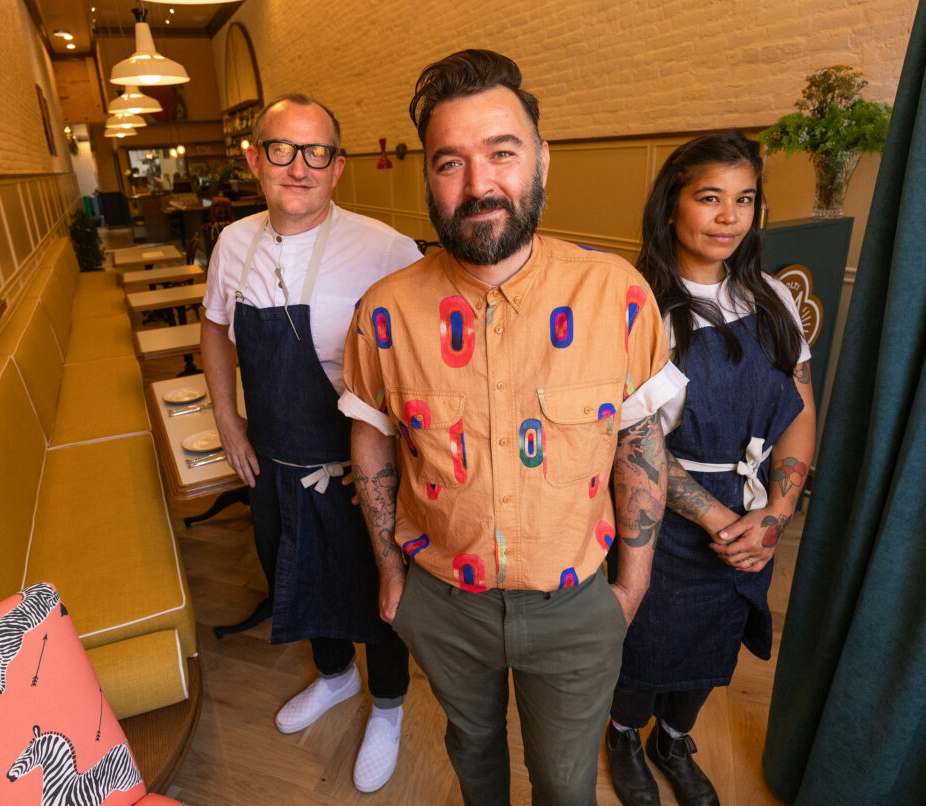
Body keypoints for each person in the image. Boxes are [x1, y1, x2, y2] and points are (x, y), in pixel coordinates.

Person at [341, 50, 687, 805]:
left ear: (542, 159)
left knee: (565, 783)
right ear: (428, 177)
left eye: (502, 153)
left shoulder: (618, 296)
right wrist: (392, 573)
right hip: (442, 601)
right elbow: (370, 436)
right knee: (473, 755)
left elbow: (640, 442)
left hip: (576, 606)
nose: (479, 185)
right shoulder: (384, 311)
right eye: (450, 163)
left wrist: (631, 587)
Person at [199, 93, 423, 793]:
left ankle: (387, 706)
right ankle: (334, 676)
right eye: (282, 149)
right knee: (293, 573)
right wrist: (228, 420)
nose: (299, 167)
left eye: (316, 152)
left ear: (337, 167)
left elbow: (426, 360)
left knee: (379, 590)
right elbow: (214, 329)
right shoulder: (233, 244)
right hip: (272, 461)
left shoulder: (386, 248)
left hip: (360, 467)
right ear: (253, 160)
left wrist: (402, 457)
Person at [603, 131, 816, 806]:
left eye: (744, 199)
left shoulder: (772, 297)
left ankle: (673, 738)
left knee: (715, 639)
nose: (729, 217)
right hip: (662, 516)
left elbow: (800, 409)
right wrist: (724, 521)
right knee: (646, 643)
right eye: (710, 198)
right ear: (672, 206)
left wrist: (777, 512)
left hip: (755, 510)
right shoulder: (638, 306)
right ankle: (623, 733)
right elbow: (628, 444)